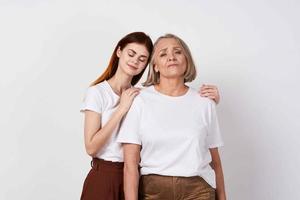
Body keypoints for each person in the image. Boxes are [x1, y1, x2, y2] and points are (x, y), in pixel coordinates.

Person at [80, 32, 221, 200]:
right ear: (119, 52)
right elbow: (91, 147)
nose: (135, 61)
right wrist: (121, 109)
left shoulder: (138, 95)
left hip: (135, 176)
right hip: (107, 174)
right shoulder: (98, 93)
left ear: (148, 64)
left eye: (142, 59)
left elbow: (172, 109)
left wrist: (210, 103)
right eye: (131, 54)